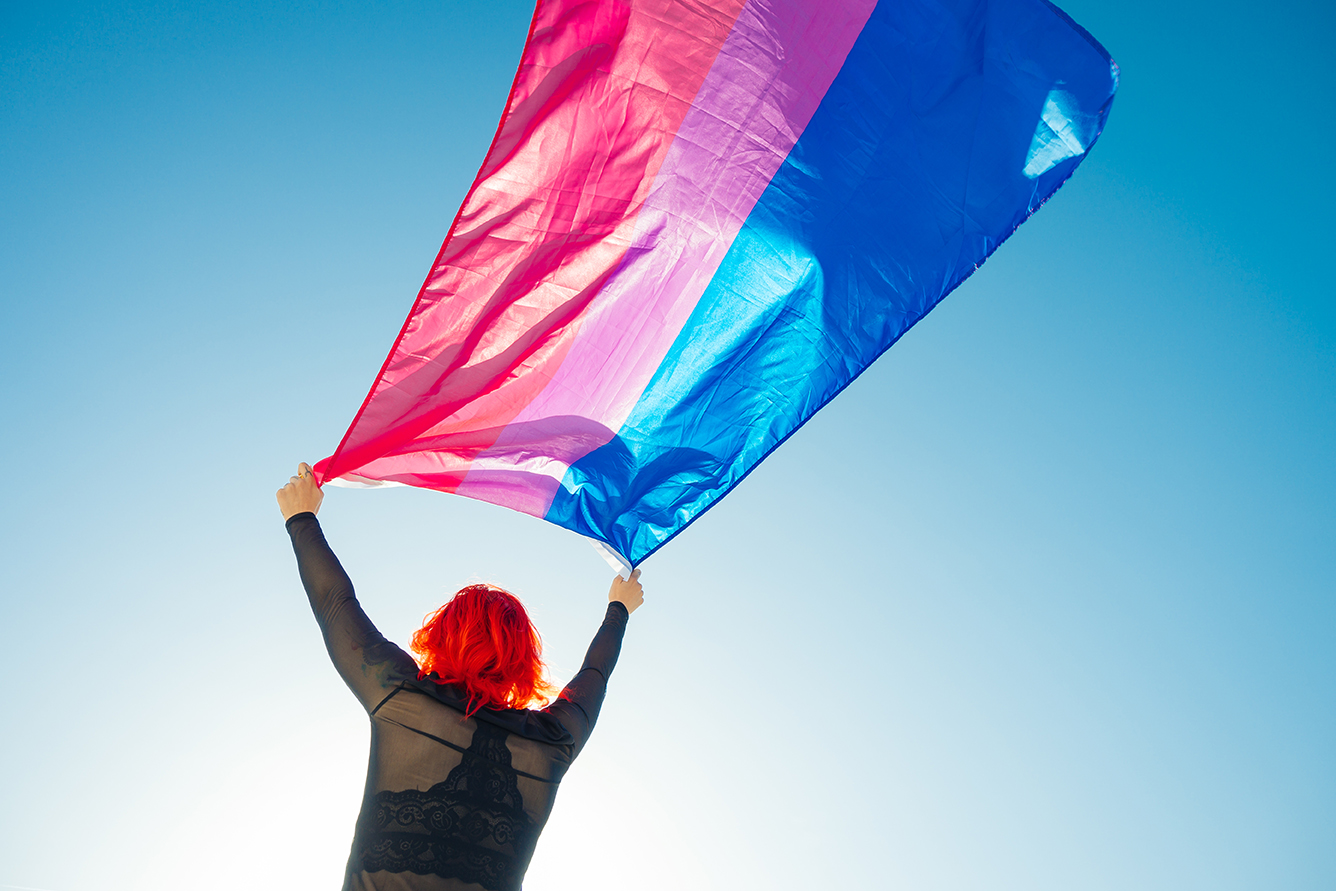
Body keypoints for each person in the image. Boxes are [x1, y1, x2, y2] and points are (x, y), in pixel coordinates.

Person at [277, 462, 644, 891]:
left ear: (443, 635)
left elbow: (336, 604)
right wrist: (618, 609)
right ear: (524, 659)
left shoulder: (401, 694)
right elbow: (594, 676)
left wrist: (301, 519)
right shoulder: (551, 741)